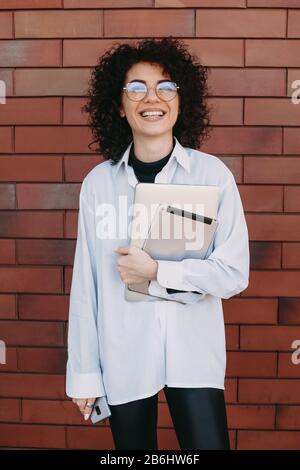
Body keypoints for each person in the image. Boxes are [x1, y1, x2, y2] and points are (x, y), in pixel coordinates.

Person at [65, 36, 250, 450]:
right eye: (137, 88)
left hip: (195, 355)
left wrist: (158, 272)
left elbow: (234, 272)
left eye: (165, 87)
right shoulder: (98, 185)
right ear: (119, 104)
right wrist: (83, 373)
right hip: (123, 355)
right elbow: (86, 285)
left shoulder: (211, 176)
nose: (152, 98)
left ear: (182, 101)